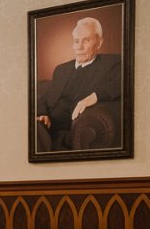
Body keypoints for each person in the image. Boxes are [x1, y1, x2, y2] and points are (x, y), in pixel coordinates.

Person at [35, 16, 121, 151]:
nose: (80, 46)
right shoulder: (61, 69)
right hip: (46, 127)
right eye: (76, 41)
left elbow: (121, 83)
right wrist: (42, 114)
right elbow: (46, 97)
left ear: (99, 42)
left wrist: (92, 97)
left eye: (86, 40)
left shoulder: (111, 63)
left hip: (73, 130)